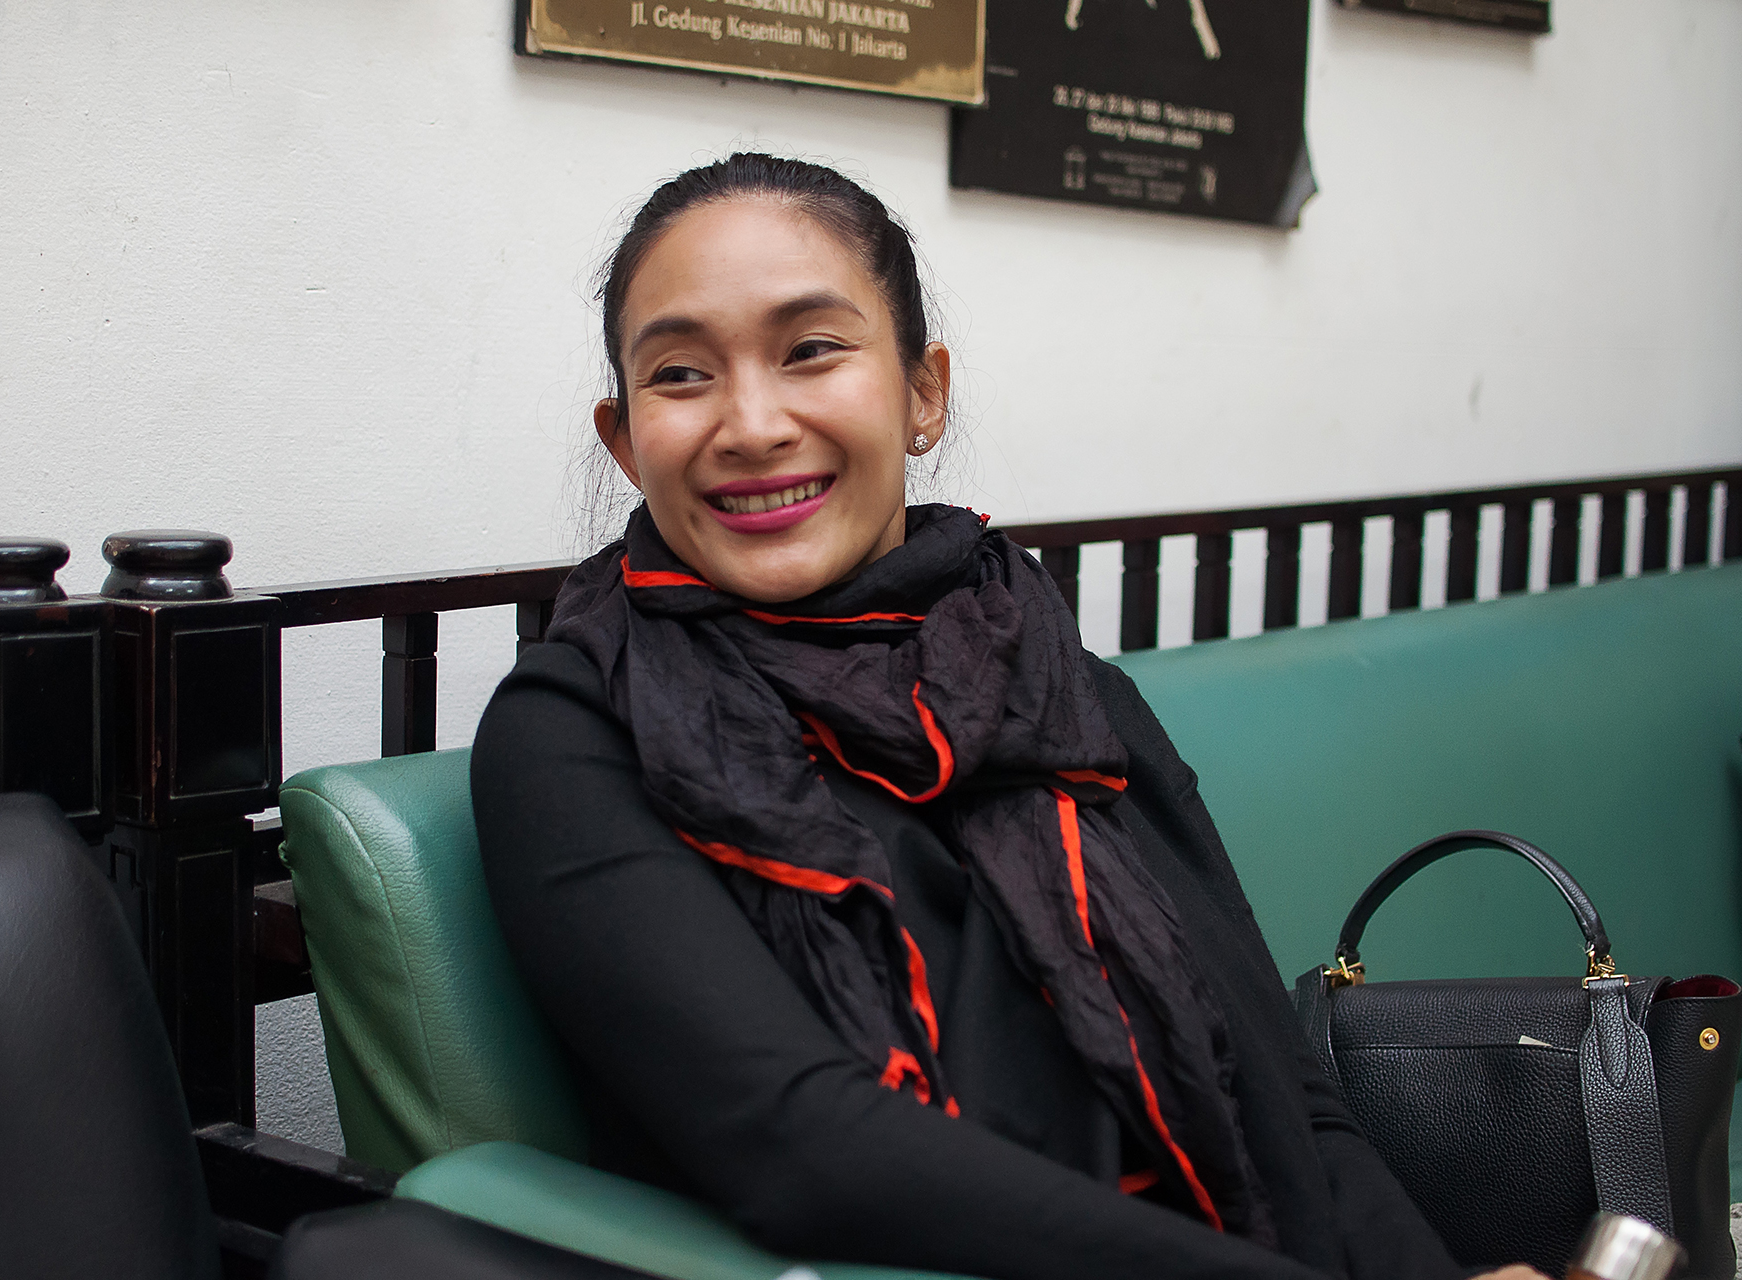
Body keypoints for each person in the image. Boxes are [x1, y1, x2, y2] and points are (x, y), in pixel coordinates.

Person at [471, 153, 1541, 1280]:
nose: (751, 422)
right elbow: (805, 1149)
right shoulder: (576, 727)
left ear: (923, 393)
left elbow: (1283, 1085)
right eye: (682, 373)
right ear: (627, 438)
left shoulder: (1047, 673)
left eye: (812, 349)